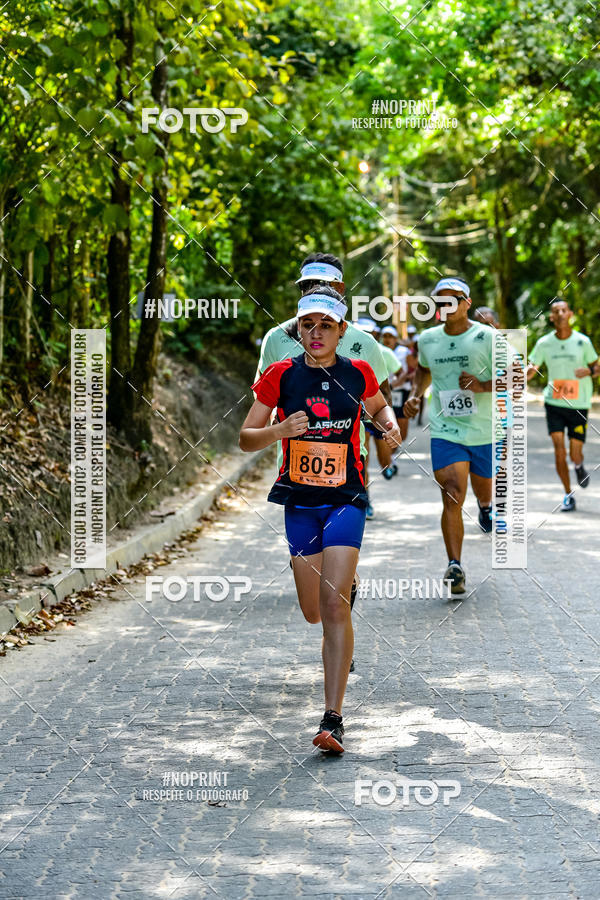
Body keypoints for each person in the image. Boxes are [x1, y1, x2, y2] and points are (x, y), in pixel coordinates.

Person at [240, 285, 402, 752]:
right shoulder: (280, 375)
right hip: (300, 502)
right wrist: (279, 429)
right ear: (298, 330)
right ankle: (342, 590)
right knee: (313, 611)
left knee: (333, 608)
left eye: (326, 325)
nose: (316, 333)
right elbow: (245, 438)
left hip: (346, 499)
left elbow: (380, 407)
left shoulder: (358, 373)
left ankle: (333, 719)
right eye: (308, 325)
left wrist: (389, 425)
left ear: (341, 330)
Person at [256, 252, 391, 520]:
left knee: (341, 540)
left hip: (349, 458)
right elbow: (262, 397)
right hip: (296, 460)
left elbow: (381, 397)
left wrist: (382, 422)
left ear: (340, 288)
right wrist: (276, 424)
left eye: (322, 284)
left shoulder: (364, 342)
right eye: (306, 285)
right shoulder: (276, 338)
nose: (313, 290)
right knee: (305, 544)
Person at [404, 277, 495, 595]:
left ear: (466, 303)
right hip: (446, 429)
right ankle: (455, 565)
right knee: (453, 492)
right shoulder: (428, 339)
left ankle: (486, 505)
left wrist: (482, 386)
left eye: (453, 299)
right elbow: (423, 370)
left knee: (483, 488)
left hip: (483, 430)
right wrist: (416, 395)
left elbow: (516, 374)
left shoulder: (487, 336)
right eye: (440, 300)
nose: (446, 305)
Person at [527, 300, 598, 511]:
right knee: (559, 451)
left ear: (570, 314)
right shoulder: (544, 343)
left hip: (579, 404)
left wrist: (589, 371)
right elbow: (532, 367)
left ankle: (578, 465)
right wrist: (523, 375)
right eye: (555, 311)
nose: (559, 313)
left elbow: (596, 367)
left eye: (563, 310)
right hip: (554, 402)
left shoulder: (583, 342)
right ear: (551, 317)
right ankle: (568, 494)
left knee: (575, 453)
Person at [356, 320, 402, 479]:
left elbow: (397, 377)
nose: (366, 335)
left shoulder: (383, 352)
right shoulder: (346, 350)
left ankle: (388, 465)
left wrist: (389, 420)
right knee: (363, 459)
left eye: (369, 332)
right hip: (361, 415)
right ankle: (365, 492)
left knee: (384, 459)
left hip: (378, 410)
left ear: (375, 333)